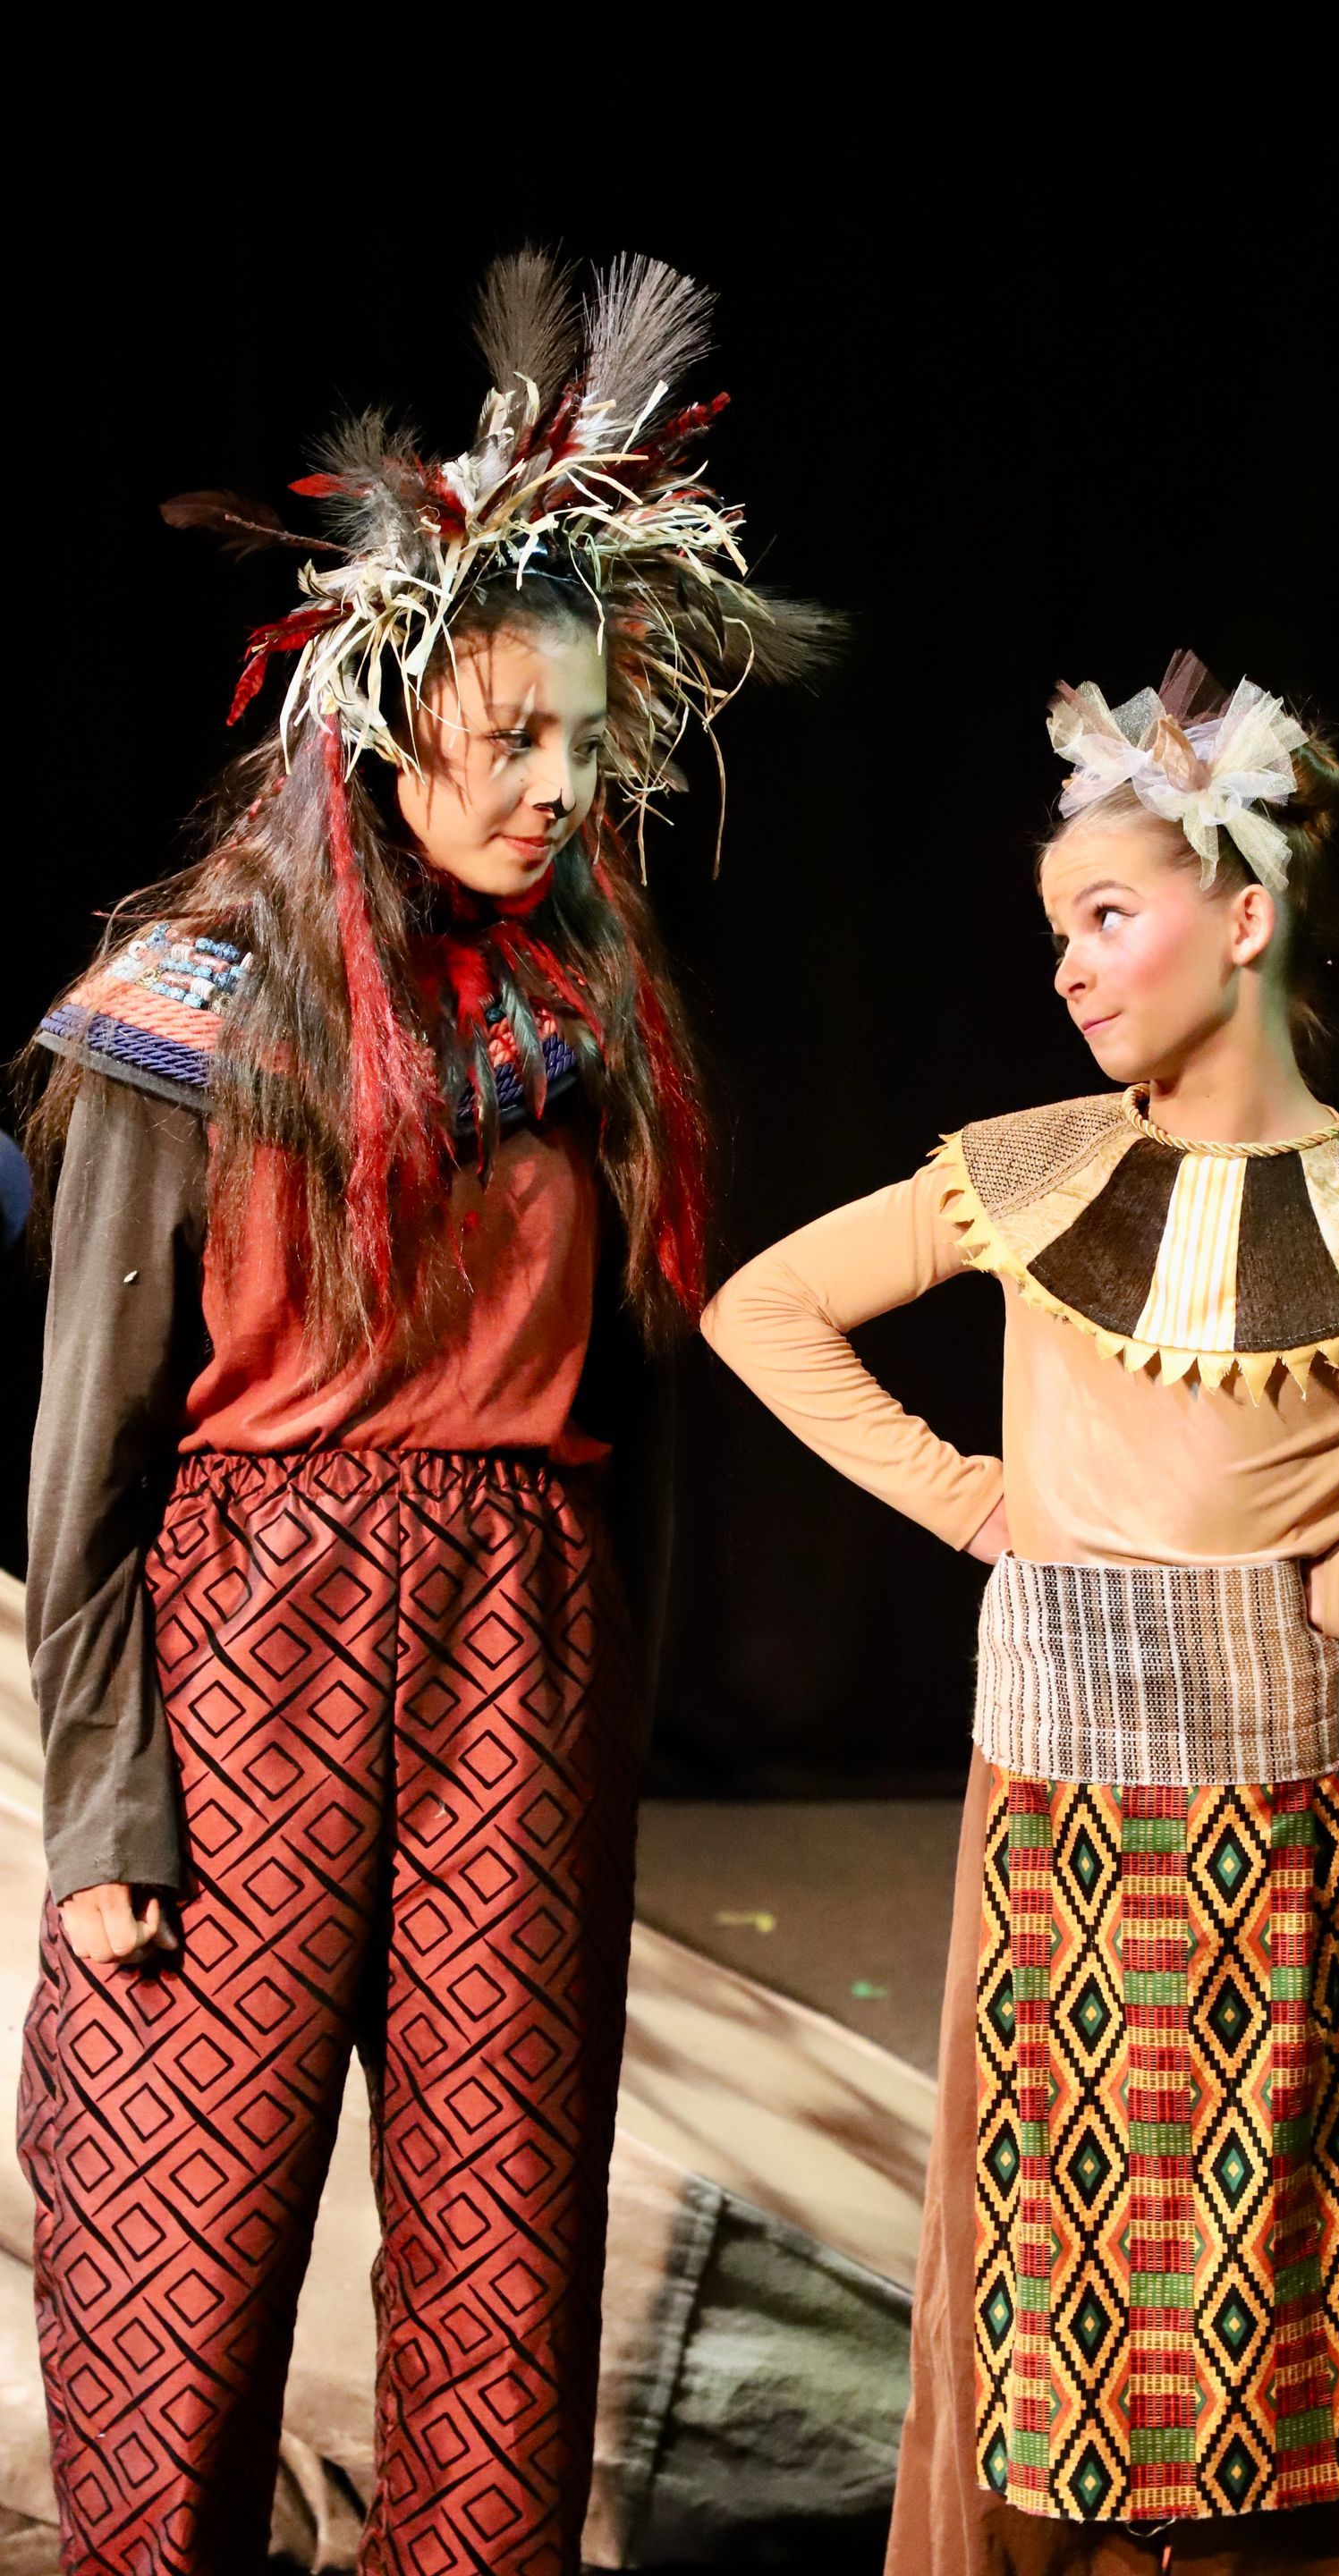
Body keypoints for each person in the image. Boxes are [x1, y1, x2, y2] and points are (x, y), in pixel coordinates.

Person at [699, 651, 1339, 2574]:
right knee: (1039, 2245)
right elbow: (764, 1307)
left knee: (1267, 2250)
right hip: (1049, 1793)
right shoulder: (1030, 1172)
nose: (1070, 971)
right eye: (1056, 933)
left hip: (1270, 1815)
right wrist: (967, 1495)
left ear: (1244, 921)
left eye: (1107, 918)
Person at [18, 248, 826, 2576]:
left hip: (519, 1648)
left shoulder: (588, 1022)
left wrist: (596, 1742)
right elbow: (86, 1460)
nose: (563, 788)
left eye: (587, 741)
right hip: (249, 1641)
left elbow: (632, 1437)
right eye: (512, 741)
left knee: (506, 2271)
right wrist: (106, 1808)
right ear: (384, 727)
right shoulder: (192, 1010)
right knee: (178, 2262)